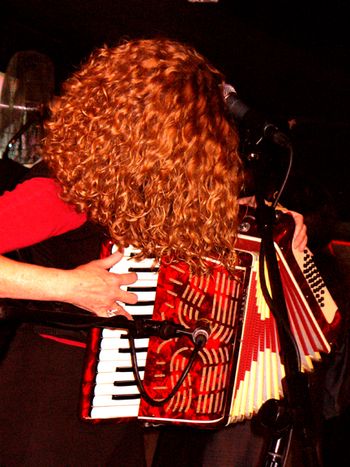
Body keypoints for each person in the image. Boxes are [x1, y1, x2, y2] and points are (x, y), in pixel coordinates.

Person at [0, 37, 307, 466]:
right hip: (49, 395)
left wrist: (280, 224)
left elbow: (216, 225)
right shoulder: (62, 194)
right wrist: (67, 285)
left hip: (116, 394)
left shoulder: (148, 197)